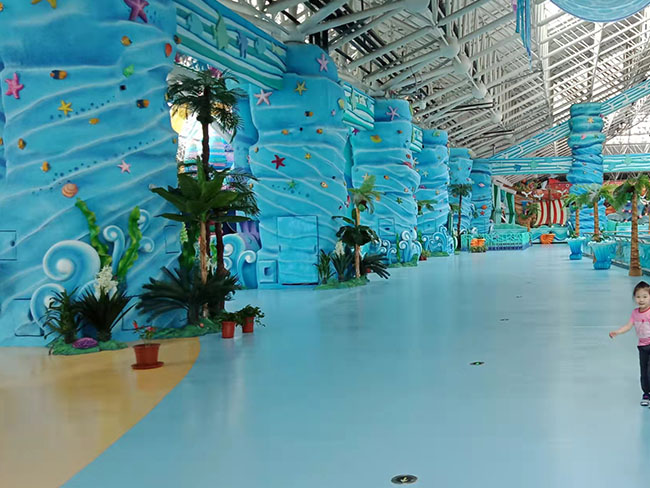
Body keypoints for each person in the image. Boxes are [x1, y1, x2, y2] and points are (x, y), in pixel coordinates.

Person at [610, 281, 650, 406]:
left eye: (645, 296)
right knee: (644, 371)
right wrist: (617, 332)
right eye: (638, 297)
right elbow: (628, 326)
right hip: (642, 346)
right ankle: (646, 393)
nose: (641, 300)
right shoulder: (635, 313)